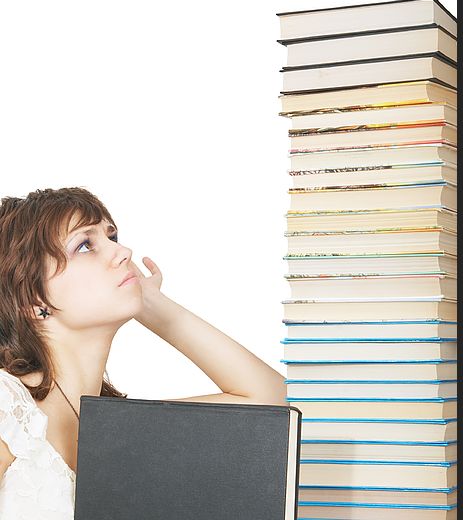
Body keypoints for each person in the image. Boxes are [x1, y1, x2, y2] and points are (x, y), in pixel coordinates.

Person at [0, 186, 287, 519]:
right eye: (85, 245)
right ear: (32, 301)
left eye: (112, 236)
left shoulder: (123, 427)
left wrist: (153, 305)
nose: (123, 251)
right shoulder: (7, 411)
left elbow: (273, 406)